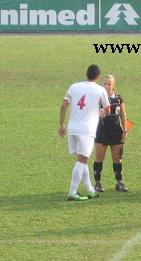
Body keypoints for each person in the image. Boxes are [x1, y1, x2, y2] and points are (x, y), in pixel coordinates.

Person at [59, 64, 110, 201]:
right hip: (86, 130)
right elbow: (108, 109)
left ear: (86, 74)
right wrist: (102, 113)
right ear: (98, 77)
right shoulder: (100, 90)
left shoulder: (74, 86)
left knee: (82, 158)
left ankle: (90, 189)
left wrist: (61, 124)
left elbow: (64, 105)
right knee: (83, 160)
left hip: (72, 128)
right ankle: (72, 192)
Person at [93, 75, 128, 193]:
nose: (107, 86)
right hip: (101, 131)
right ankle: (97, 183)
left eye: (109, 84)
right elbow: (92, 112)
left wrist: (125, 129)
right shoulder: (99, 98)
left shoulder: (118, 98)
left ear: (113, 85)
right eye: (105, 83)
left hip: (116, 132)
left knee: (117, 158)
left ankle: (119, 183)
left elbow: (123, 114)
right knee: (99, 158)